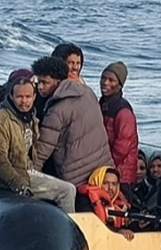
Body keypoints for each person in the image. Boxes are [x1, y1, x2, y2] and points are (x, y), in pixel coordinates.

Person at [0, 76, 77, 211]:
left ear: (34, 97)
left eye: (28, 97)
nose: (24, 101)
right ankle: (71, 232)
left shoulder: (31, 118)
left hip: (24, 171)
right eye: (19, 97)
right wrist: (19, 184)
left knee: (69, 188)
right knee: (66, 191)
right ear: (11, 96)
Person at [31, 55, 113, 187]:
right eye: (38, 82)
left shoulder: (57, 110)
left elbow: (43, 148)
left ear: (58, 82)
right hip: (103, 169)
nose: (39, 87)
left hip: (77, 176)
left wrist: (30, 175)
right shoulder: (87, 92)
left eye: (45, 82)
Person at [99, 61, 139, 189]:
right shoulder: (102, 104)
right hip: (108, 171)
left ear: (120, 86)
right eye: (103, 78)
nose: (105, 83)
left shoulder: (123, 110)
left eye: (111, 80)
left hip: (121, 175)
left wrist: (106, 167)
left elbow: (123, 147)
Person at [78, 165, 135, 241]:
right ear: (98, 181)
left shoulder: (121, 204)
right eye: (106, 183)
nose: (110, 188)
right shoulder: (84, 200)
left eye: (114, 184)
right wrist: (117, 231)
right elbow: (91, 225)